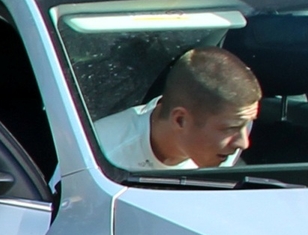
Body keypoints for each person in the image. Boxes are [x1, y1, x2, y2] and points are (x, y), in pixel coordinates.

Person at [93, 46, 260, 170]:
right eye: (230, 128)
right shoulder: (100, 157)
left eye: (248, 124)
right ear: (180, 120)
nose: (243, 143)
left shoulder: (237, 122)